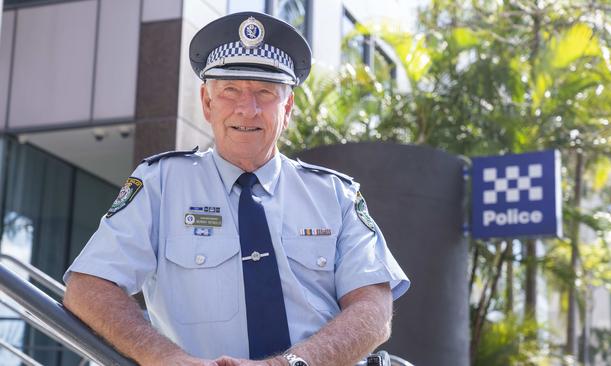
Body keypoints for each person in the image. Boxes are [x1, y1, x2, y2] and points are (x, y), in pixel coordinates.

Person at [63, 11, 409, 366]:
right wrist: (166, 359)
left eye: (264, 92)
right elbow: (88, 287)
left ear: (287, 108)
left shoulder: (335, 196)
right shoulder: (161, 184)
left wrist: (289, 364)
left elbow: (373, 309)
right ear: (207, 103)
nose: (247, 109)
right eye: (230, 90)